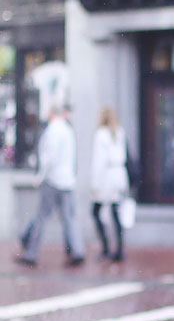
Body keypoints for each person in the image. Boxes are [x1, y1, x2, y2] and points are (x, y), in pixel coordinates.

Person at [16, 106, 85, 267]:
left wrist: (41, 176)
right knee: (69, 218)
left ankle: (31, 253)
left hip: (53, 180)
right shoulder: (68, 130)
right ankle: (78, 250)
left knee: (41, 217)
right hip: (66, 180)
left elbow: (49, 158)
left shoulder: (53, 130)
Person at [90, 107, 130, 262]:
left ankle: (106, 247)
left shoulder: (101, 135)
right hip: (119, 175)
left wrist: (95, 183)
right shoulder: (119, 132)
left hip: (107, 176)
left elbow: (98, 162)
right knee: (115, 213)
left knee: (96, 211)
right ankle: (119, 249)